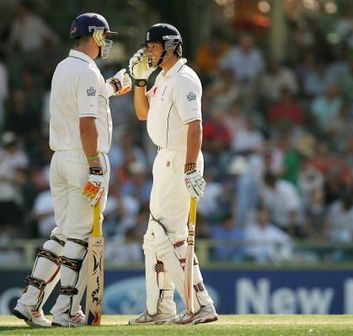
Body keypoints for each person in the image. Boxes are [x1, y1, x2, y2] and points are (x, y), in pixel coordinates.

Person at [12, 12, 130, 327]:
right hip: (85, 158)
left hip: (60, 159)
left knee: (63, 233)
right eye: (105, 36)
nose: (106, 42)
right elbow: (87, 122)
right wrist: (94, 165)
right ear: (95, 37)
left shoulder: (64, 68)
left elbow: (85, 101)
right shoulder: (88, 72)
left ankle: (29, 301)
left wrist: (112, 86)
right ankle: (65, 310)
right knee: (80, 236)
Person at [127, 23, 217, 325]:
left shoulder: (184, 78)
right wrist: (139, 81)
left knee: (168, 236)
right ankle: (159, 308)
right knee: (154, 238)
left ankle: (200, 304)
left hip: (180, 160)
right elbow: (142, 113)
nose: (148, 52)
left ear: (171, 46)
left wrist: (190, 168)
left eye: (153, 46)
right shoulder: (162, 78)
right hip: (164, 159)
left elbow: (195, 126)